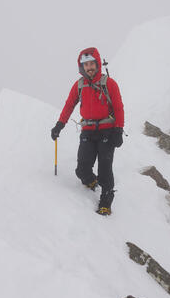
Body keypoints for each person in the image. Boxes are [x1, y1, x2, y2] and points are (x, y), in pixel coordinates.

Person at [51, 47, 124, 215]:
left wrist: (118, 130)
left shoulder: (109, 83)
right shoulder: (79, 85)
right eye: (85, 64)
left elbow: (119, 108)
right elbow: (69, 105)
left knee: (105, 168)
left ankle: (106, 198)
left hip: (107, 132)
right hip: (88, 131)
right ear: (81, 67)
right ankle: (91, 182)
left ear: (98, 64)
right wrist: (59, 125)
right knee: (82, 169)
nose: (89, 67)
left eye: (92, 63)